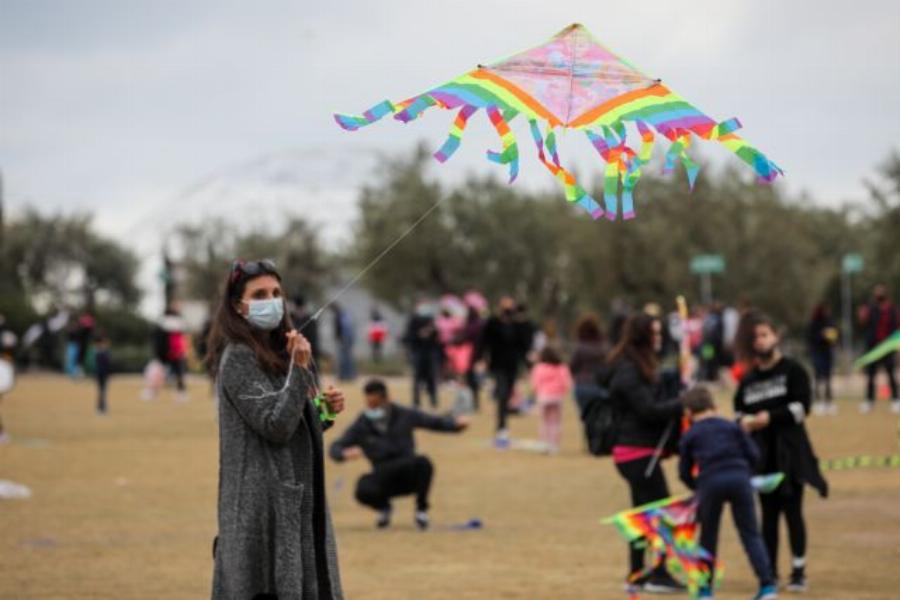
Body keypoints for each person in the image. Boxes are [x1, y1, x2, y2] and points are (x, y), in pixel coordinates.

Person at [207, 259, 346, 599]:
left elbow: (295, 419)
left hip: (296, 494)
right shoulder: (238, 357)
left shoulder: (286, 350)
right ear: (237, 305)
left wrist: (323, 411)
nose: (271, 301)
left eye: (275, 293)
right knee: (267, 587)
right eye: (259, 295)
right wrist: (299, 370)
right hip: (260, 505)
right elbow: (276, 426)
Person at [734, 311, 828, 593]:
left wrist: (770, 417)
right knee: (768, 515)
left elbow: (803, 408)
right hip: (761, 457)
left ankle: (798, 571)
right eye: (755, 338)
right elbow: (738, 411)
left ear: (775, 336)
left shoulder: (793, 371)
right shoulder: (748, 379)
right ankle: (770, 571)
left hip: (791, 453)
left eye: (765, 335)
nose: (760, 341)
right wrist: (745, 422)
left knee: (793, 511)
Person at [605, 313, 686, 593]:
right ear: (643, 337)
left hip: (639, 452)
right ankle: (659, 574)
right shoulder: (629, 371)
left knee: (642, 515)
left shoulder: (639, 366)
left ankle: (637, 572)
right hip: (636, 454)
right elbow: (648, 410)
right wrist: (683, 403)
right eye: (655, 333)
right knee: (663, 514)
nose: (659, 338)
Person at [679, 386, 778, 600]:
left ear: (688, 412)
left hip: (710, 482)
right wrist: (745, 473)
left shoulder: (690, 434)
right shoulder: (731, 427)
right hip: (740, 479)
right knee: (750, 533)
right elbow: (753, 454)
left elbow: (683, 472)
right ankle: (767, 585)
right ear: (713, 405)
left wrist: (697, 486)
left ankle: (705, 590)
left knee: (708, 537)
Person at [329, 379, 468, 530]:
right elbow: (335, 447)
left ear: (386, 399)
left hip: (407, 471)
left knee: (423, 463)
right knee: (362, 488)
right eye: (369, 404)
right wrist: (343, 454)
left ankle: (421, 511)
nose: (372, 408)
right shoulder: (362, 424)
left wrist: (456, 425)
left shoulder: (404, 414)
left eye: (375, 404)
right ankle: (384, 508)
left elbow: (433, 422)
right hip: (383, 474)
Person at [475, 296, 530, 448]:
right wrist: (479, 358)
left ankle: (503, 424)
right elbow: (483, 342)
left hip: (512, 365)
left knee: (507, 394)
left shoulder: (518, 325)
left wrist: (526, 364)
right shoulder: (492, 323)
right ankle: (502, 426)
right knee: (502, 393)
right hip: (497, 365)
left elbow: (524, 345)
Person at [857, 284, 899, 413]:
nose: (878, 294)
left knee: (890, 374)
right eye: (876, 292)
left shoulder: (892, 309)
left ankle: (896, 400)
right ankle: (869, 401)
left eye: (880, 292)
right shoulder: (871, 309)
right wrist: (862, 316)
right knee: (871, 375)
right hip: (873, 347)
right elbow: (863, 323)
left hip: (887, 347)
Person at [530, 346, 573, 454]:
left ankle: (544, 445)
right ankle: (554, 446)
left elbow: (535, 383)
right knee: (555, 423)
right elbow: (567, 382)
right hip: (557, 397)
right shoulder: (561, 367)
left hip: (543, 397)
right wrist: (562, 391)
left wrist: (537, 392)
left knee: (544, 422)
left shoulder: (539, 367)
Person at [403, 301, 441, 409]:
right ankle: (416, 402)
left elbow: (437, 338)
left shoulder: (431, 321)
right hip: (418, 353)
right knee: (417, 378)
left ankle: (433, 400)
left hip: (431, 353)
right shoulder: (413, 321)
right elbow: (407, 338)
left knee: (432, 377)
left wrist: (431, 333)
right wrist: (418, 335)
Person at [569, 313, 610, 415]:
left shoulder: (579, 348)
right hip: (600, 386)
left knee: (586, 417)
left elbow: (572, 367)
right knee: (601, 418)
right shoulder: (603, 348)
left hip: (582, 386)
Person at [152, 303, 189, 401]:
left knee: (172, 373)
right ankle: (181, 393)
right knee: (177, 374)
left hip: (172, 352)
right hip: (173, 352)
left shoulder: (165, 323)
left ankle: (155, 392)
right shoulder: (176, 323)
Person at [807, 303, 838, 415]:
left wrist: (831, 336)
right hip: (817, 353)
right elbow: (810, 337)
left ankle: (828, 402)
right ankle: (818, 401)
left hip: (827, 353)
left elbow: (835, 335)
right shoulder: (814, 323)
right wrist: (821, 335)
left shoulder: (830, 322)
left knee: (828, 378)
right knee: (818, 377)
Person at [331, 303, 356, 381]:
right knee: (347, 358)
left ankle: (344, 375)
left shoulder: (339, 317)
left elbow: (340, 329)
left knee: (343, 358)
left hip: (344, 340)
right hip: (347, 339)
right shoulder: (345, 316)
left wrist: (339, 338)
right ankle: (348, 375)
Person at [94, 331, 111, 415]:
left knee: (102, 391)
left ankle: (102, 406)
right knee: (102, 391)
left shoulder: (100, 352)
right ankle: (101, 407)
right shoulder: (101, 352)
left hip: (102, 374)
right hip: (101, 374)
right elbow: (106, 364)